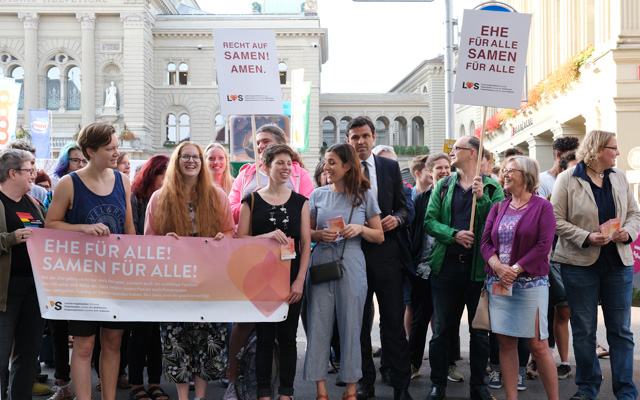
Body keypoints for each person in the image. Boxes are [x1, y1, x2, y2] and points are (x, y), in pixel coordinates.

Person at [45, 121, 135, 400]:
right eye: (110, 148)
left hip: (115, 276)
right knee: (83, 347)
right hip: (81, 278)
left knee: (113, 342)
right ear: (90, 150)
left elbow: (129, 228)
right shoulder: (68, 184)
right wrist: (82, 228)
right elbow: (50, 225)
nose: (116, 153)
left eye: (117, 147)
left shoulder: (122, 180)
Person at [224, 124, 313, 400]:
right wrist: (264, 236)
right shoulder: (251, 200)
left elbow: (306, 244)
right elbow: (241, 241)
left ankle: (286, 392)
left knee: (287, 338)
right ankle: (263, 392)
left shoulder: (300, 202)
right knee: (264, 338)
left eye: (289, 163)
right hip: (261, 276)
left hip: (292, 275)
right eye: (280, 163)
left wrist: (299, 280)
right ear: (266, 167)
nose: (287, 168)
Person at [551, 130, 640, 400]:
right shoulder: (568, 179)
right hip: (579, 264)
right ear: (597, 150)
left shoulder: (620, 177)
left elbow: (635, 213)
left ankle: (625, 390)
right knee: (584, 329)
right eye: (613, 148)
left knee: (621, 331)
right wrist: (586, 237)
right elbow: (555, 220)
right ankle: (587, 388)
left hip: (618, 263)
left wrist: (628, 231)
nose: (618, 153)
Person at [144, 141, 234, 400]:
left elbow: (230, 231)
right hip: (174, 283)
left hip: (210, 280)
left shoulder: (217, 196)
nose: (191, 161)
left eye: (196, 157)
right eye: (185, 157)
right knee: (177, 341)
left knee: (207, 340)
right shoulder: (159, 198)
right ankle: (183, 397)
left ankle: (200, 397)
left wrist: (221, 237)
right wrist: (164, 240)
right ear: (177, 160)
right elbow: (148, 239)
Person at [424, 135, 504, 400]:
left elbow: (496, 227)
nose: (451, 152)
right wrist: (453, 234)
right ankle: (438, 385)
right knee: (441, 331)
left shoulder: (492, 188)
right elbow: (429, 221)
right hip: (446, 267)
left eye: (455, 149)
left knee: (480, 332)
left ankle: (478, 386)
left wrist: (481, 201)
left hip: (478, 270)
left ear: (472, 153)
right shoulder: (444, 185)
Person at [303, 142, 384, 400]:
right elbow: (306, 234)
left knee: (352, 326)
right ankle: (321, 391)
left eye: (332, 162)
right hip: (322, 262)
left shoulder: (364, 195)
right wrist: (318, 234)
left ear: (347, 165)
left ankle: (350, 390)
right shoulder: (317, 195)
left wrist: (360, 229)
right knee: (318, 325)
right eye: (326, 162)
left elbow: (379, 235)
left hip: (352, 262)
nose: (326, 167)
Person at [344, 116, 412, 400]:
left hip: (386, 253)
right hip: (353, 252)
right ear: (348, 141)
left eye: (364, 136)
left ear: (373, 137)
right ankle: (364, 382)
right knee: (358, 322)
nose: (360, 141)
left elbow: (404, 207)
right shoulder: (342, 167)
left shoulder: (390, 167)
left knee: (394, 322)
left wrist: (397, 219)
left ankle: (400, 385)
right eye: (354, 137)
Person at [481, 155, 559, 400]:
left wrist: (513, 269)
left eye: (510, 170)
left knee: (538, 345)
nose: (504, 174)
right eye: (504, 170)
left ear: (526, 177)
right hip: (499, 285)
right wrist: (497, 266)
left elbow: (543, 245)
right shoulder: (499, 207)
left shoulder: (542, 207)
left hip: (531, 284)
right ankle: (511, 398)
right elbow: (485, 242)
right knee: (505, 344)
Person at [0, 149, 46, 400]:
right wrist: (10, 238)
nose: (34, 174)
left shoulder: (34, 204)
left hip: (33, 289)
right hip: (5, 290)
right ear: (12, 173)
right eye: (30, 169)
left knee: (28, 355)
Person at [127, 155, 170, 400]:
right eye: (163, 175)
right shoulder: (136, 199)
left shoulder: (169, 200)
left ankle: (154, 383)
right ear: (151, 174)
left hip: (163, 273)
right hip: (141, 273)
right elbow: (132, 233)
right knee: (141, 332)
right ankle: (135, 384)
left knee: (157, 333)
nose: (167, 180)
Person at [407, 153, 451, 380]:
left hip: (446, 267)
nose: (444, 171)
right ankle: (413, 363)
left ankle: (448, 366)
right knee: (419, 318)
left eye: (447, 167)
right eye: (439, 168)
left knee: (445, 322)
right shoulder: (420, 199)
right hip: (422, 269)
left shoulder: (457, 197)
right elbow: (413, 233)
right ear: (429, 172)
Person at [229, 124, 313, 223]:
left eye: (266, 141)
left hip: (288, 236)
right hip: (251, 237)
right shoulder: (245, 174)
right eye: (257, 143)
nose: (260, 146)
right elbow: (229, 213)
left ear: (280, 144)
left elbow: (310, 209)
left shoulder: (300, 174)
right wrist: (250, 203)